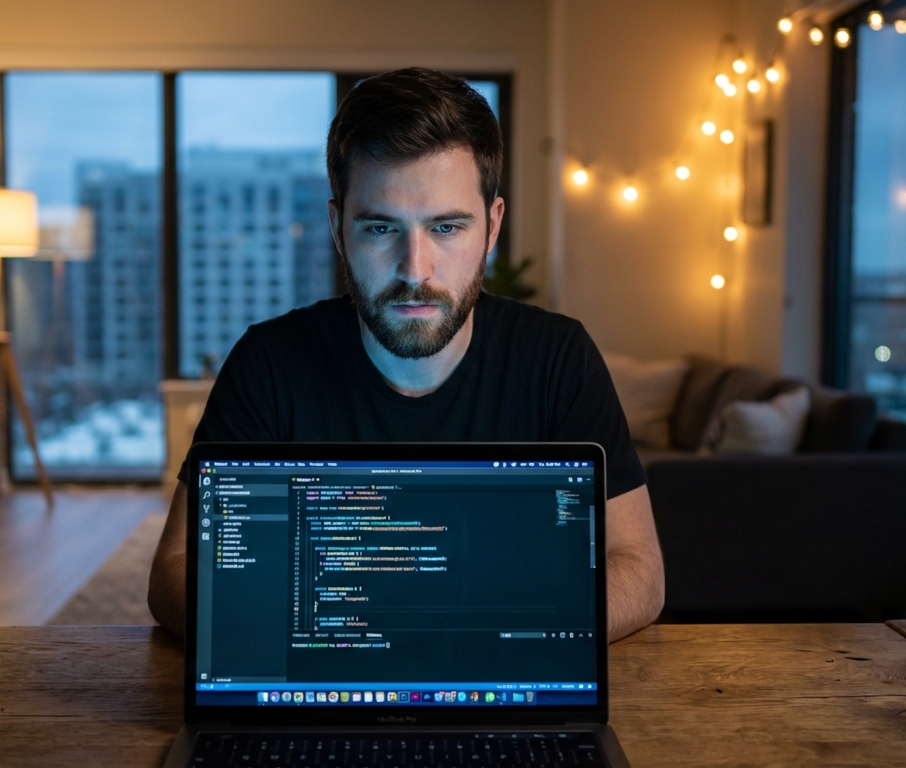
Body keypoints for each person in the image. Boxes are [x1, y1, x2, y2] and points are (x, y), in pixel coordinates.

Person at [149, 67, 664, 643]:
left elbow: (639, 570)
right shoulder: (268, 362)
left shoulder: (557, 357)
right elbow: (174, 572)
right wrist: (349, 630)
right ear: (338, 228)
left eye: (446, 227)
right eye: (380, 229)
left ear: (492, 227)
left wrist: (471, 634)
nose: (415, 270)